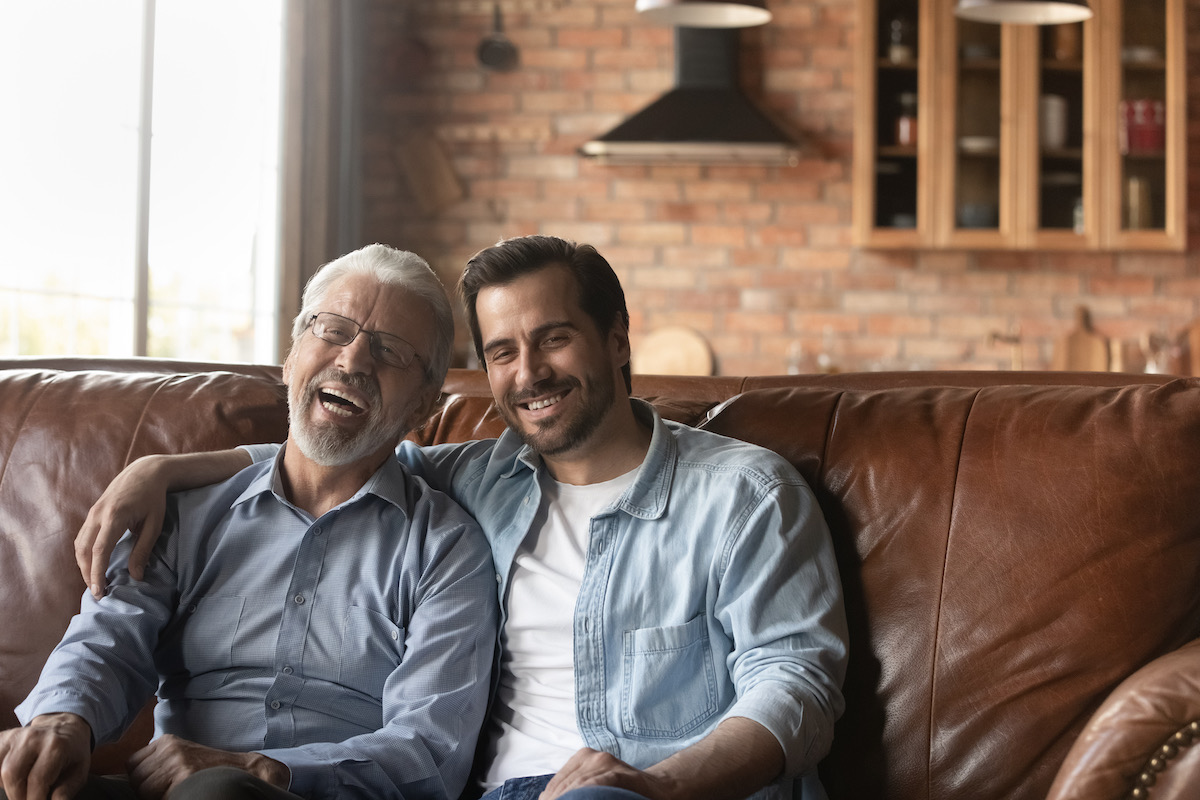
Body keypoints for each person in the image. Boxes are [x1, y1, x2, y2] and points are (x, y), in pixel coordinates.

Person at [75, 235, 849, 800]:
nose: (529, 372)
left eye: (554, 339)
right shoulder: (477, 478)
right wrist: (165, 470)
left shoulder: (745, 495)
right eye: (503, 351)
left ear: (616, 340)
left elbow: (798, 683)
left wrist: (665, 785)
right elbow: (334, 451)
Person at [2, 244, 498, 800]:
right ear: (291, 357)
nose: (353, 361)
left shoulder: (447, 549)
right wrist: (63, 718)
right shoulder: (187, 511)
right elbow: (110, 634)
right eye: (332, 330)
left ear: (424, 407)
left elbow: (429, 750)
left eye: (388, 350)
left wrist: (258, 768)